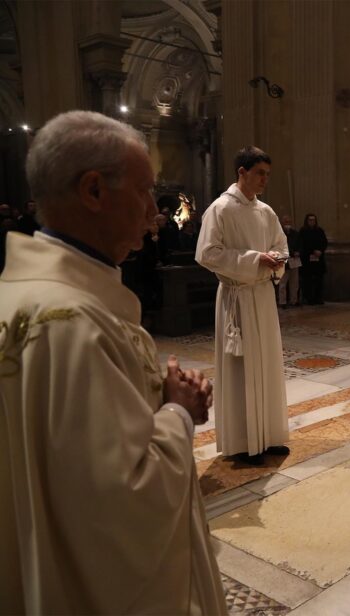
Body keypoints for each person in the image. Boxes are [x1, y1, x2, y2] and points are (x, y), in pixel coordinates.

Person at [0, 110, 225, 613]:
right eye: (144, 191)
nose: (152, 210)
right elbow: (124, 497)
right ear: (94, 191)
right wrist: (178, 411)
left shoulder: (19, 297)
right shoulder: (75, 322)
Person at [196, 146, 290, 466]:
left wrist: (275, 258)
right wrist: (253, 260)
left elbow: (280, 244)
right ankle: (244, 443)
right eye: (260, 173)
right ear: (242, 172)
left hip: (262, 296)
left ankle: (269, 435)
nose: (265, 179)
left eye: (267, 174)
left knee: (267, 364)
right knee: (241, 369)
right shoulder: (221, 208)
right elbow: (206, 253)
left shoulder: (265, 211)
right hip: (236, 297)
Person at [299, 213, 327, 304]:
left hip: (318, 259)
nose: (312, 222)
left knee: (319, 280)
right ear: (307, 221)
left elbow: (324, 242)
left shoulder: (319, 230)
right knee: (308, 281)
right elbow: (303, 244)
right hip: (307, 260)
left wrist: (320, 251)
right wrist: (313, 251)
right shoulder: (303, 231)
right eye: (310, 220)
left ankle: (318, 298)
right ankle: (309, 299)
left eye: (313, 220)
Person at [278, 214, 302, 308]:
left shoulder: (295, 233)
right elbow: (281, 246)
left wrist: (298, 252)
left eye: (289, 222)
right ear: (282, 223)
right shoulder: (279, 233)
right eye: (286, 222)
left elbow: (300, 244)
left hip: (295, 260)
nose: (287, 224)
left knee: (294, 282)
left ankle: (294, 300)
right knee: (283, 283)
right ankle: (282, 301)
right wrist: (291, 252)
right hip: (284, 260)